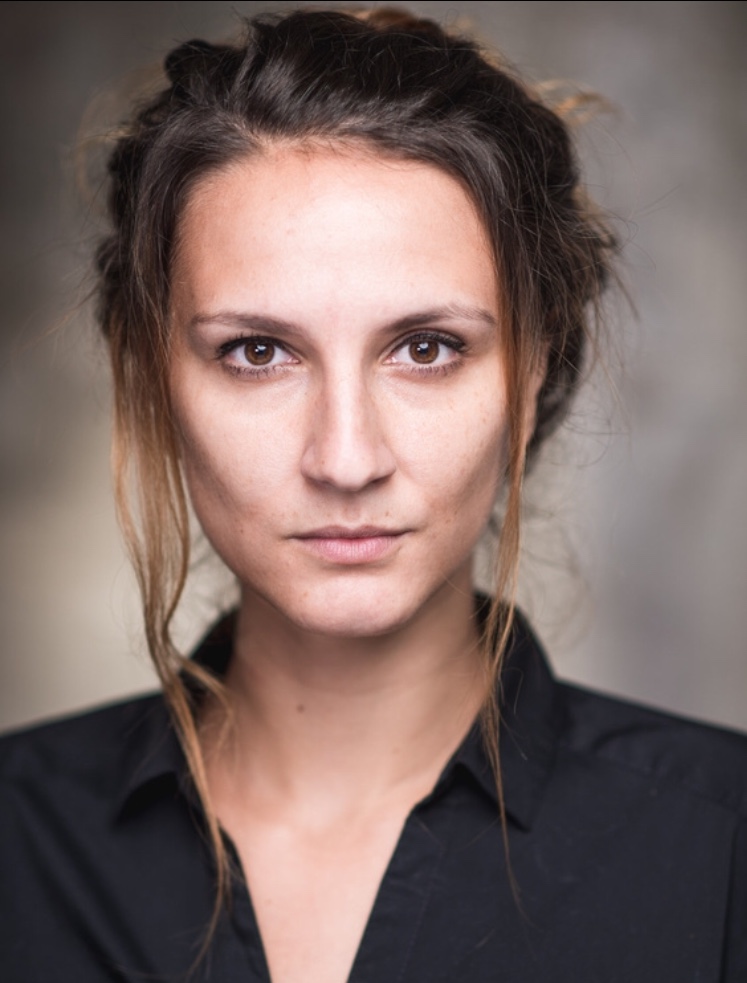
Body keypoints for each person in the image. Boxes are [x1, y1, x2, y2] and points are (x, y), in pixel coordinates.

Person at [1, 7, 745, 982]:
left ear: (529, 376)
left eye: (426, 348)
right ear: (151, 380)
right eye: (256, 352)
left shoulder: (722, 846)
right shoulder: (19, 841)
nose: (346, 459)